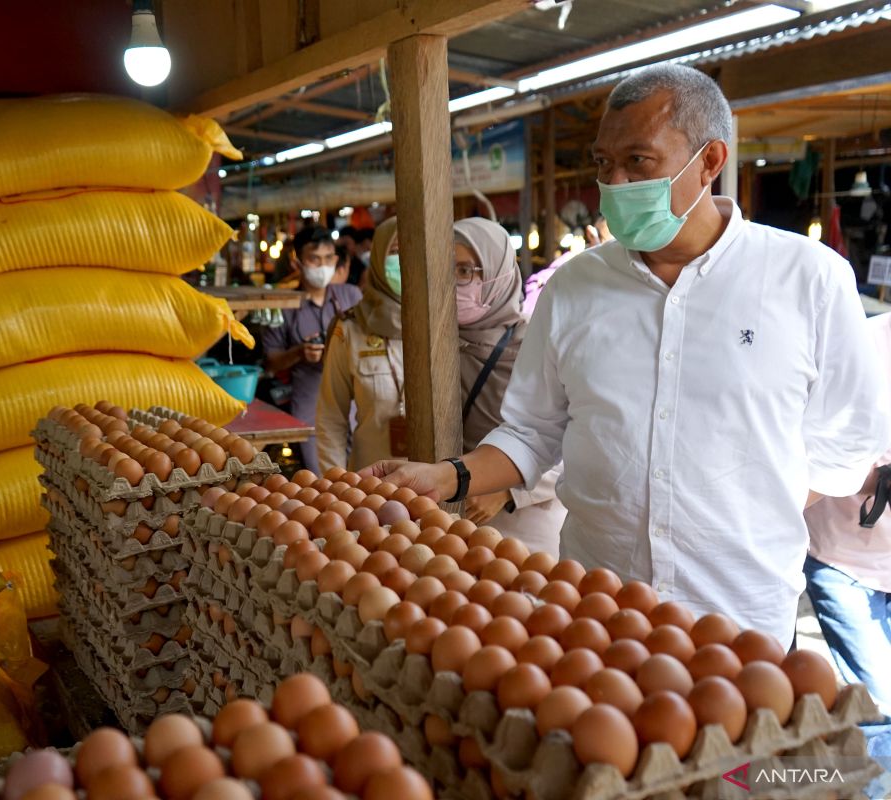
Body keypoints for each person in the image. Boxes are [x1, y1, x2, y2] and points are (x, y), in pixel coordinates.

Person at [361, 64, 889, 648]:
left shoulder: (808, 279)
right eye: (603, 164)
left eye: (638, 161)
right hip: (594, 609)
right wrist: (450, 476)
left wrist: (745, 504)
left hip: (741, 618)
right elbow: (534, 432)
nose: (613, 183)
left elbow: (846, 443)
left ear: (710, 161)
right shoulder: (573, 288)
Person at [454, 217, 567, 557]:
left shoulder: (538, 342)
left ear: (498, 273)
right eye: (444, 270)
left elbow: (573, 437)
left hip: (525, 525)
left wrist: (508, 491)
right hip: (455, 520)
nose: (453, 284)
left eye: (464, 271)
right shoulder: (435, 345)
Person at [803, 312, 891, 723]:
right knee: (881, 704)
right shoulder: (864, 345)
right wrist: (882, 479)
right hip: (845, 561)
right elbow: (815, 447)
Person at [262, 226, 361, 474]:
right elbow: (271, 363)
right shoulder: (283, 305)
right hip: (310, 406)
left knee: (364, 483)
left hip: (356, 404)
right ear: (298, 262)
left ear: (336, 260)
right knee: (323, 483)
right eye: (314, 259)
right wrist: (299, 353)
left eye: (328, 258)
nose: (322, 265)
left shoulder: (351, 296)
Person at [317, 218, 403, 473]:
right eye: (395, 252)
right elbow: (331, 418)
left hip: (442, 490)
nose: (404, 261)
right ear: (378, 257)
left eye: (413, 250)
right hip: (372, 486)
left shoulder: (449, 325)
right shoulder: (351, 328)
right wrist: (337, 488)